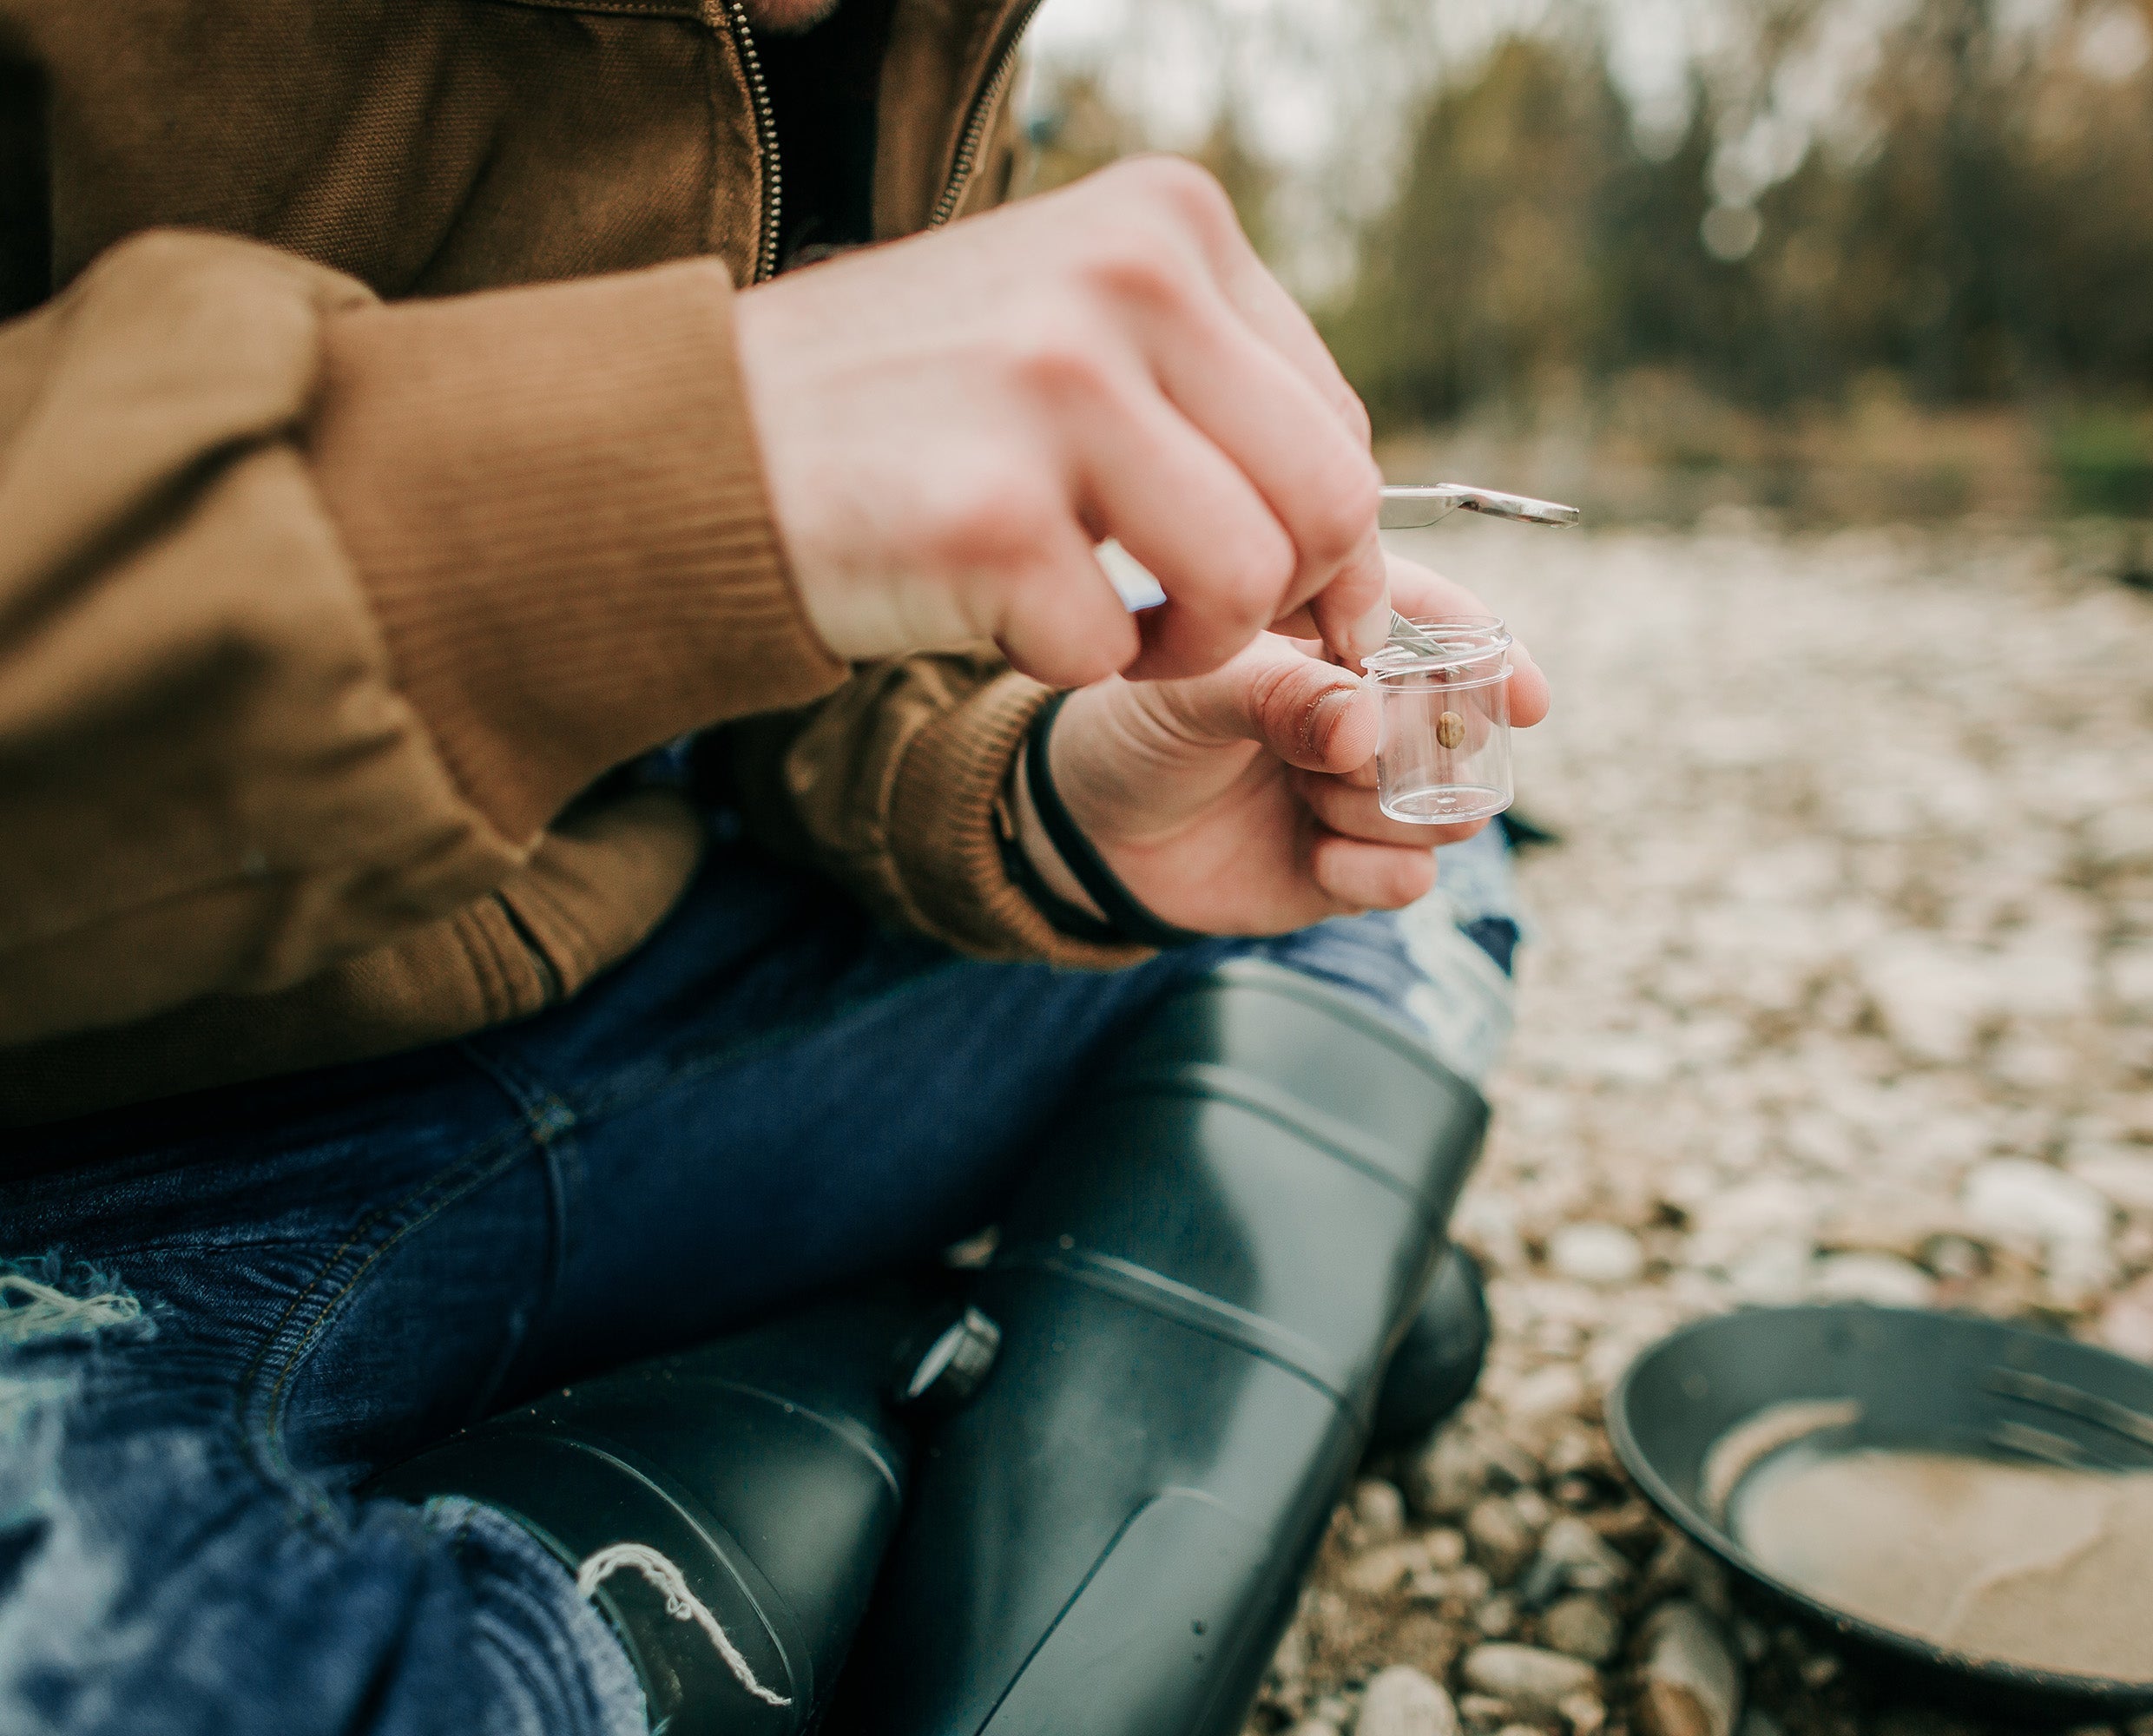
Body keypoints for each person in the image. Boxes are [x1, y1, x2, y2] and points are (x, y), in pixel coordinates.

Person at [0, 1, 1551, 1731]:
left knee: (1396, 819)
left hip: (662, 989)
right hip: (99, 1146)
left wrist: (1037, 796)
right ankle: (1061, 1346)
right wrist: (657, 468)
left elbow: (815, 675)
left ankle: (1008, 1384)